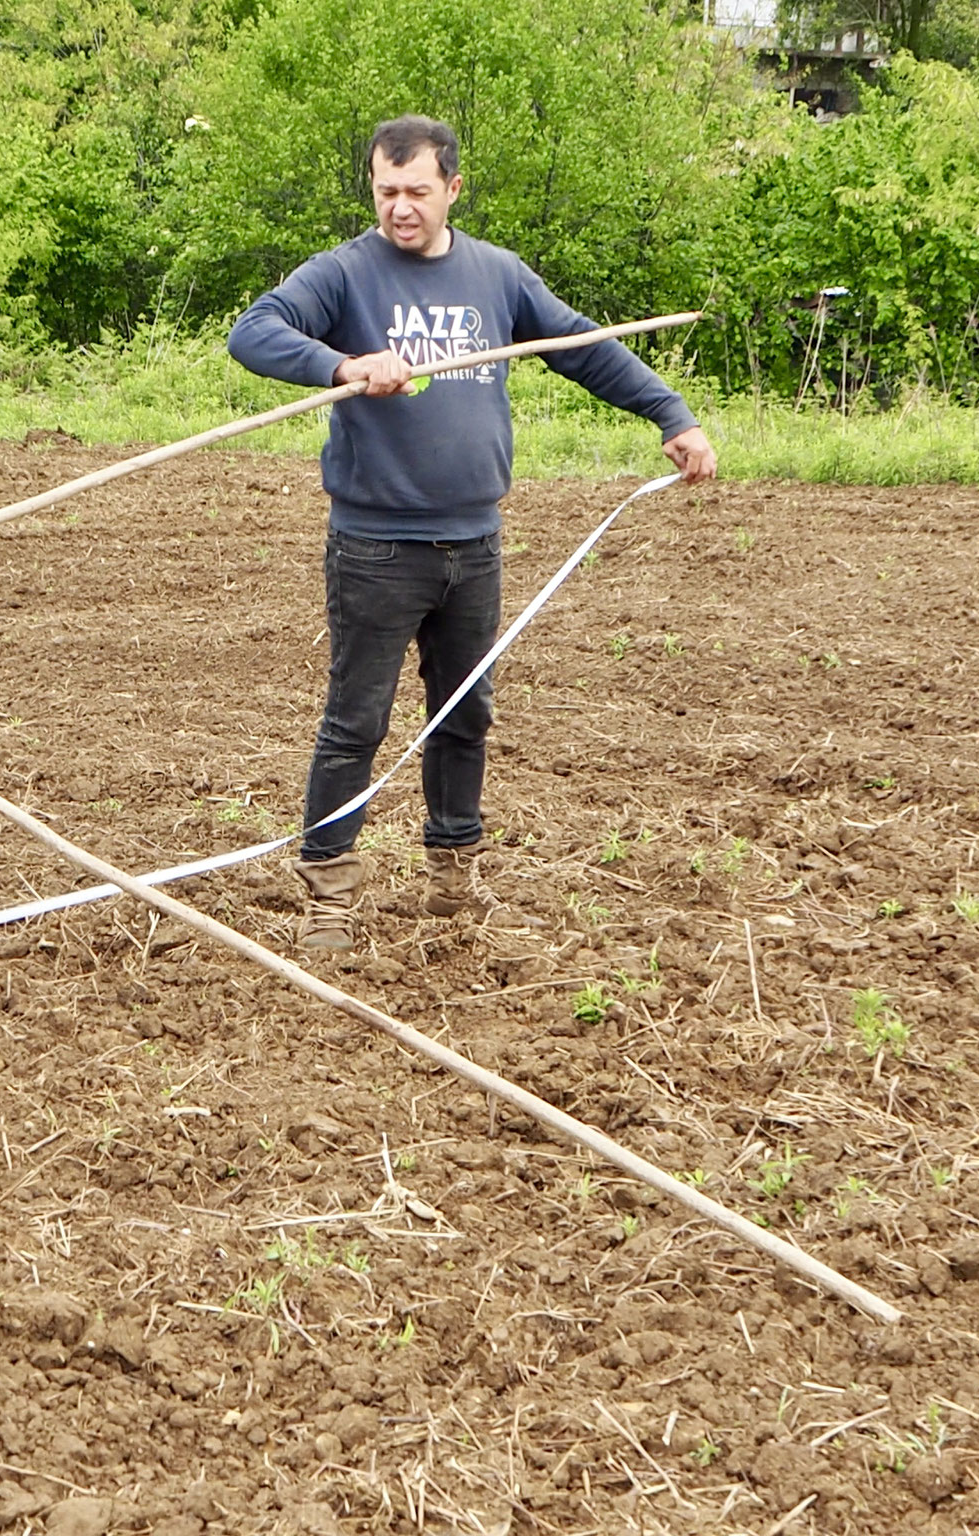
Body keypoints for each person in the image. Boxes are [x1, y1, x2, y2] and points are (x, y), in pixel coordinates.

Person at [228, 114, 717, 952]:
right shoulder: (345, 274)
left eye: (417, 190)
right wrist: (344, 365)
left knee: (464, 714)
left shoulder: (498, 275)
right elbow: (255, 332)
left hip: (474, 543)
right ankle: (330, 895)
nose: (400, 207)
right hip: (376, 547)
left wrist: (670, 414)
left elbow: (585, 348)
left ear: (453, 188)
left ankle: (453, 876)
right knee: (357, 722)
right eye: (386, 190)